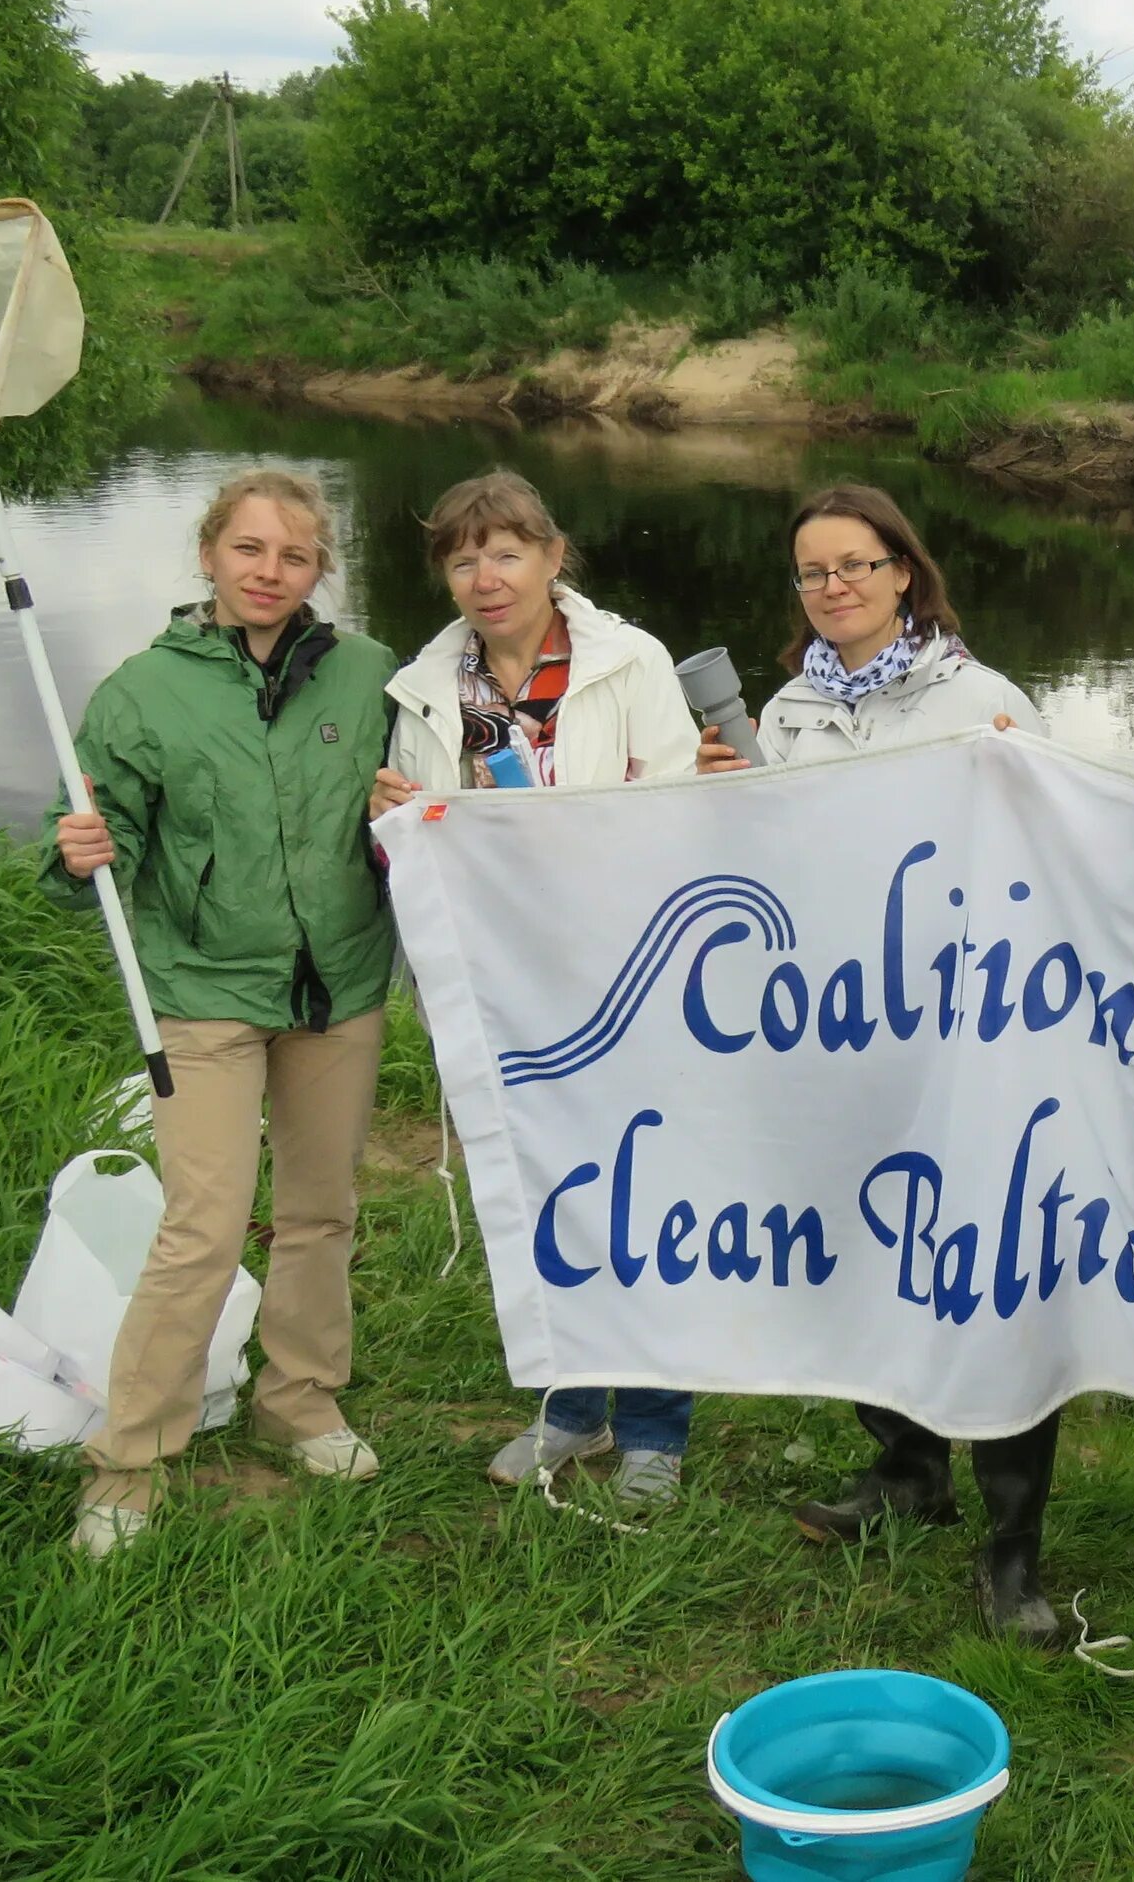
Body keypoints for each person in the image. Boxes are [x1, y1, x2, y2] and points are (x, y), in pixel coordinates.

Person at [694, 482, 1057, 1641]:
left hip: (961, 1032)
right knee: (860, 1246)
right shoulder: (789, 709)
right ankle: (906, 1468)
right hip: (835, 1024)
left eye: (856, 565)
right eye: (812, 572)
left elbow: (1047, 856)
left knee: (983, 1269)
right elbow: (776, 863)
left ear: (906, 572)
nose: (834, 587)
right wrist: (730, 807)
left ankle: (1014, 1545)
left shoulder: (985, 699)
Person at [49, 467, 399, 1557]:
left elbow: (435, 806)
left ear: (317, 572)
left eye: (294, 557)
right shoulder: (140, 694)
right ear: (209, 555)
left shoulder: (371, 677)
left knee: (321, 1209)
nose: (270, 573)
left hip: (337, 986)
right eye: (249, 551)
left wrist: (415, 809)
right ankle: (131, 1459)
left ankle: (298, 1397)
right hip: (202, 995)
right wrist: (78, 859)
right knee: (201, 1224)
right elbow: (102, 860)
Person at [369, 468, 701, 1503]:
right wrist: (395, 821)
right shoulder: (423, 691)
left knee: (640, 1196)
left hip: (629, 978)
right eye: (463, 558)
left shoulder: (630, 663)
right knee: (544, 1196)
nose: (485, 576)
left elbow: (686, 810)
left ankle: (653, 1426)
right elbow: (412, 863)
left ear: (555, 559)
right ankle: (569, 1412)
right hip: (505, 989)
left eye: (507, 552)